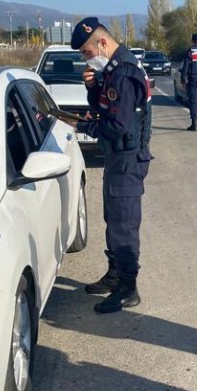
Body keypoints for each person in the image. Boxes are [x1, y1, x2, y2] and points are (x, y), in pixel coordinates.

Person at [58, 17, 153, 314]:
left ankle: (128, 287)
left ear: (102, 42)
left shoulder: (123, 72)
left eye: (86, 52)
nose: (86, 59)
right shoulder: (112, 70)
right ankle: (115, 275)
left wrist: (82, 125)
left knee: (123, 225)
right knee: (114, 219)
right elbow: (105, 107)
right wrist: (93, 87)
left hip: (126, 159)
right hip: (119, 157)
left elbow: (117, 126)